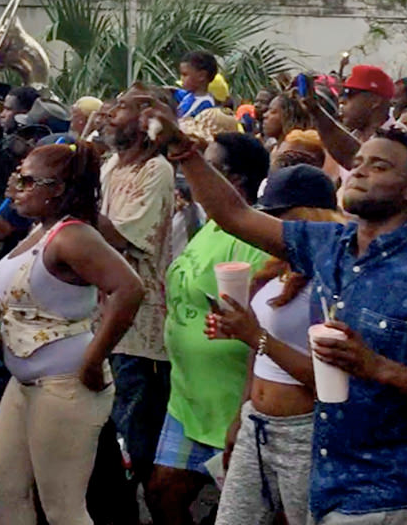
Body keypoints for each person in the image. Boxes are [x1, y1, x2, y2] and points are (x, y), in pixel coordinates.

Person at [162, 117, 407, 524]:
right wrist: (185, 153)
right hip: (324, 470)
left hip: (386, 489)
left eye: (380, 166)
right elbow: (234, 213)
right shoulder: (329, 247)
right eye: (358, 161)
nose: (359, 170)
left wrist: (378, 368)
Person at [0, 143, 144, 525]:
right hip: (25, 383)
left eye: (26, 180)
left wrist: (95, 357)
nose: (16, 187)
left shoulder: (72, 236)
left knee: (63, 507)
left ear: (55, 189)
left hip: (65, 384)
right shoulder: (40, 230)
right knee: (4, 487)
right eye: (16, 177)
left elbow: (130, 288)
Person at [207, 165, 341, 525]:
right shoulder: (277, 267)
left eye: (276, 217)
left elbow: (329, 380)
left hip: (306, 429)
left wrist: (256, 335)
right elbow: (258, 352)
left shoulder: (334, 278)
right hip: (258, 424)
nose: (265, 229)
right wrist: (242, 413)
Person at [151, 132, 270, 525]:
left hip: (233, 402)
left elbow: (264, 326)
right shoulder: (211, 224)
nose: (192, 174)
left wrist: (244, 410)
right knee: (162, 493)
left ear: (234, 181)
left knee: (243, 515)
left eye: (206, 166)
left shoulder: (260, 236)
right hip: (188, 399)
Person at [96, 87, 177, 517]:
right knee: (105, 443)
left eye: (122, 107)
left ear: (146, 123)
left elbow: (120, 238)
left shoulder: (157, 170)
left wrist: (72, 200)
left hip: (138, 335)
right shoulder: (111, 164)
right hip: (102, 324)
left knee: (132, 448)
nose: (109, 113)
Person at [176, 51, 219, 118]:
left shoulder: (205, 107)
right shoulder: (188, 95)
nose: (181, 78)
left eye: (185, 75)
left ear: (201, 76)